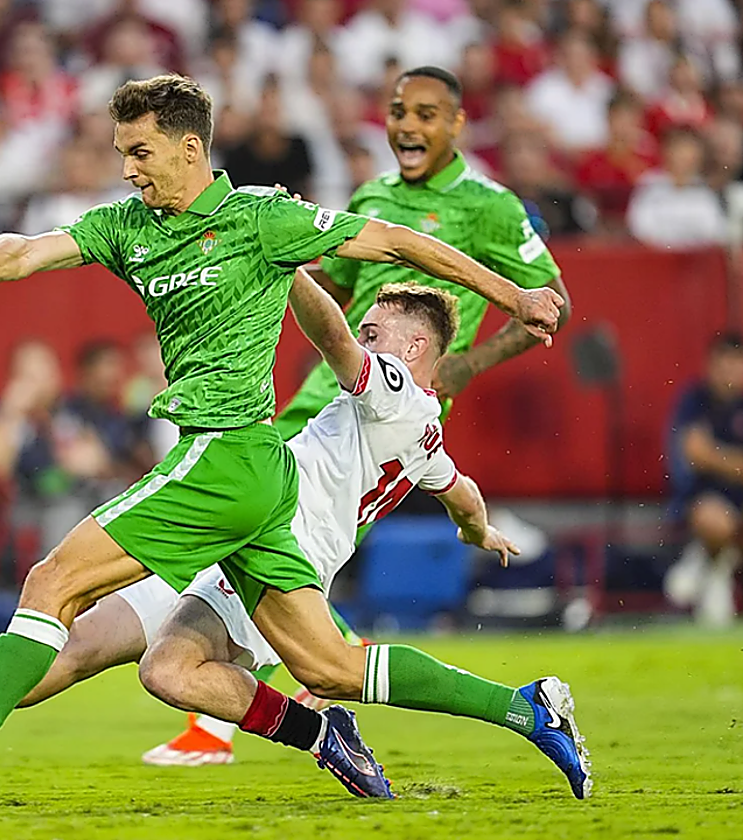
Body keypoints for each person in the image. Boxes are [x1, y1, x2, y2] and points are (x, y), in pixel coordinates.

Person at [0, 73, 562, 809]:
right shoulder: (129, 225)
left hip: (224, 455)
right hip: (264, 479)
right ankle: (523, 711)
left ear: (190, 148)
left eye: (140, 152)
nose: (128, 169)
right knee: (330, 666)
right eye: (123, 153)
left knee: (53, 584)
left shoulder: (261, 218)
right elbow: (29, 249)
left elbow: (397, 243)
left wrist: (516, 297)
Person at [0, 275, 591, 802]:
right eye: (368, 329)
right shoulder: (424, 431)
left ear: (418, 348)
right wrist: (479, 527)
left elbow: (330, 335)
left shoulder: (395, 389)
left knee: (200, 672)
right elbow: (456, 489)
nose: (365, 338)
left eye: (380, 331)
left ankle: (503, 712)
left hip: (276, 545)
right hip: (232, 523)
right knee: (77, 636)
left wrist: (281, 254)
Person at [153, 64, 573, 766]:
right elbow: (333, 296)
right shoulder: (373, 192)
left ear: (458, 124)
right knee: (259, 553)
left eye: (427, 113)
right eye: (399, 111)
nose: (408, 125)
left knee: (282, 560)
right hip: (320, 404)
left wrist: (467, 363)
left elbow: (551, 298)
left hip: (381, 412)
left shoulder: (490, 205)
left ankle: (273, 705)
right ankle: (258, 699)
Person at [665, 333, 743, 627]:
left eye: (736, 364)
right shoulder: (695, 399)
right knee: (715, 520)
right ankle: (716, 562)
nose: (729, 372)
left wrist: (718, 456)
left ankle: (706, 562)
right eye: (723, 364)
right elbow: (696, 453)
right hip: (702, 495)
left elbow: (709, 453)